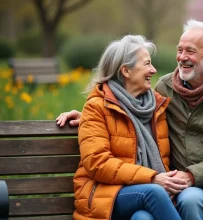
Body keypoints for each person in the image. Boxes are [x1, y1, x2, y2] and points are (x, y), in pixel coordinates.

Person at [57, 19, 203, 220]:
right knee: (186, 202)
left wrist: (191, 176)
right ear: (125, 70)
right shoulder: (165, 90)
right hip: (150, 190)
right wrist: (88, 118)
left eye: (190, 51)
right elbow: (116, 115)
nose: (181, 57)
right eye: (180, 50)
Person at [66, 35, 185, 220]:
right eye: (147, 64)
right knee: (153, 193)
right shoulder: (97, 107)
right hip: (105, 195)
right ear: (126, 71)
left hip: (140, 194)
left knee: (142, 218)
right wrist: (153, 178)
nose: (153, 70)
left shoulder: (155, 107)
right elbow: (98, 163)